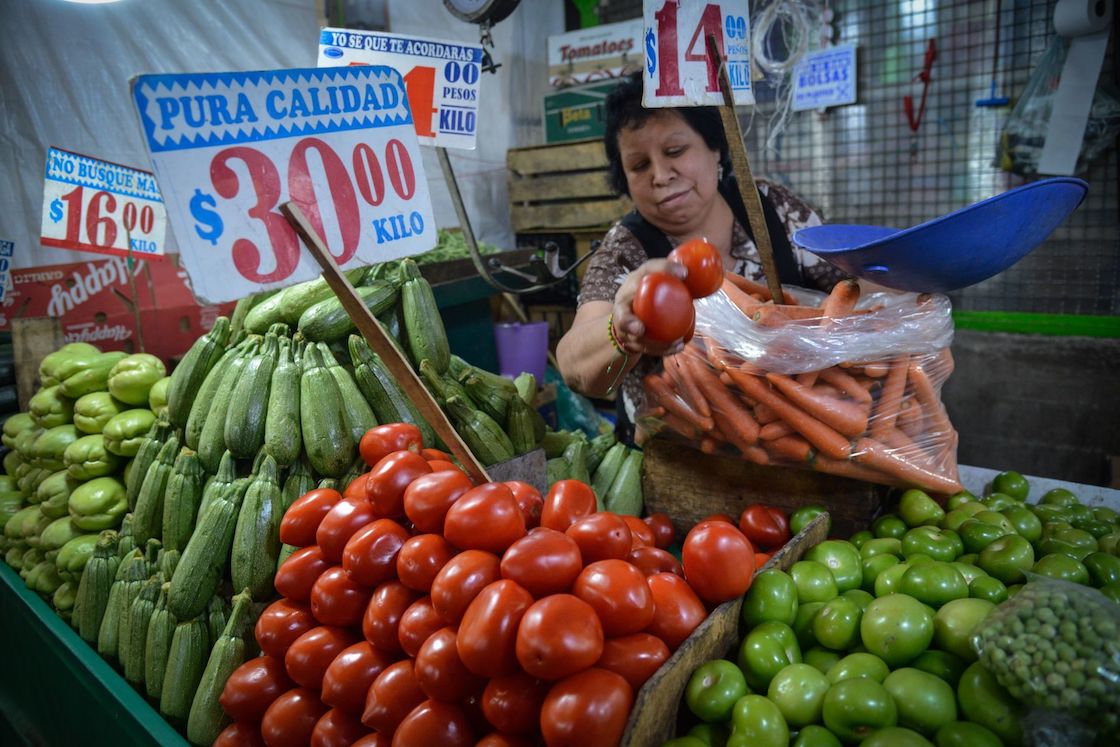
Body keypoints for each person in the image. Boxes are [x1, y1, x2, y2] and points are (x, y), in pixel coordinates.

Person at [556, 72, 846, 441]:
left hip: (802, 441)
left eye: (675, 151)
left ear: (715, 148)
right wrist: (620, 330)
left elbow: (852, 293)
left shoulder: (772, 211)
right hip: (676, 460)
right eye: (639, 165)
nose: (660, 175)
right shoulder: (624, 252)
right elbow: (574, 369)